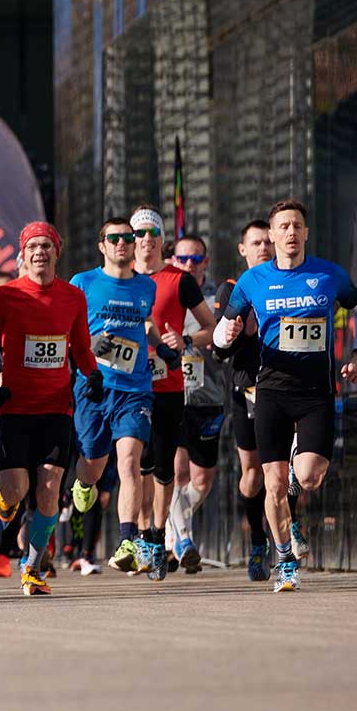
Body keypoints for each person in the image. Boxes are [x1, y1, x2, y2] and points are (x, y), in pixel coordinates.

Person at [214, 199, 357, 593]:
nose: (289, 232)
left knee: (309, 476)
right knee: (272, 484)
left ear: (304, 233)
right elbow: (222, 330)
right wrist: (226, 334)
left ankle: (294, 466)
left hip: (316, 392)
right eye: (282, 226)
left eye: (296, 225)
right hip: (271, 392)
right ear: (272, 234)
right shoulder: (252, 281)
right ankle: (285, 561)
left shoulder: (327, 274)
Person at [0, 222, 101, 597]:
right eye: (33, 246)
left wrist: (92, 374)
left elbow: (80, 348)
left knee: (48, 492)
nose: (40, 252)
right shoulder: (6, 296)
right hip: (15, 408)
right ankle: (2, 502)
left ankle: (31, 567)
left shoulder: (72, 297)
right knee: (15, 491)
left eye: (46, 246)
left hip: (56, 407)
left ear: (56, 252)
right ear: (23, 254)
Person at [69, 217, 166, 580]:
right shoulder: (83, 283)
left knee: (129, 462)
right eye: (115, 238)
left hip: (135, 389)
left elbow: (146, 324)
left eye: (130, 237)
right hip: (93, 386)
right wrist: (80, 368)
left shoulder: (146, 286)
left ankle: (128, 540)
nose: (123, 243)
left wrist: (163, 347)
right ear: (102, 245)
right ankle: (82, 482)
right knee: (93, 465)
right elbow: (69, 331)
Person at [128, 208, 216, 573]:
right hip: (129, 387)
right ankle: (144, 534)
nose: (146, 239)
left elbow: (213, 328)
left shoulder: (179, 280)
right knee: (136, 462)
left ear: (162, 241)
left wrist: (184, 340)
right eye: (138, 233)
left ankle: (160, 533)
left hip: (168, 384)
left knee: (163, 467)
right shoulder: (117, 280)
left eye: (153, 232)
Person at [214, 219, 276, 580]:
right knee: (253, 474)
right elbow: (221, 351)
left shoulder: (288, 283)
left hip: (285, 388)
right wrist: (243, 334)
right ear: (243, 249)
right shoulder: (232, 289)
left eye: (268, 241)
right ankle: (257, 542)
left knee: (283, 472)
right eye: (256, 243)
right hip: (247, 389)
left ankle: (284, 539)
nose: (264, 248)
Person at [166, 232, 222, 572]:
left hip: (209, 397)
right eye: (183, 259)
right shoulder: (166, 295)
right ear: (173, 261)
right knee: (177, 471)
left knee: (202, 481)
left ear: (205, 262)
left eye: (196, 259)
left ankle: (173, 525)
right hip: (173, 396)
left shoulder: (217, 299)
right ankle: (183, 538)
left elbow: (224, 338)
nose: (189, 265)